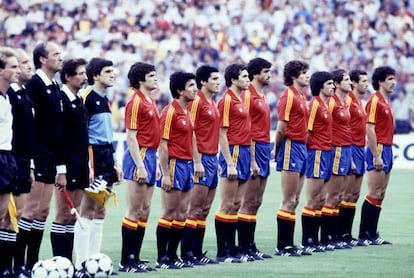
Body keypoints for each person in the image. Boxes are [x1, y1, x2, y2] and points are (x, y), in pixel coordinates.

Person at [17, 42, 65, 271]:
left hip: (51, 157)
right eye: (56, 54)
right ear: (43, 59)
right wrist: (32, 161)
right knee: (29, 210)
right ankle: (20, 266)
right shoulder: (34, 86)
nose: (60, 57)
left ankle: (32, 263)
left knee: (43, 211)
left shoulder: (55, 86)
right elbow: (30, 126)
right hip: (36, 156)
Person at [74, 58, 122, 270]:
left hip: (106, 157)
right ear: (95, 75)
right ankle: (81, 263)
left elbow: (107, 134)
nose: (113, 74)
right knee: (87, 209)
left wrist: (115, 162)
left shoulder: (105, 98)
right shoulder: (86, 97)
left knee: (100, 211)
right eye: (108, 71)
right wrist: (88, 165)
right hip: (92, 155)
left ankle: (94, 263)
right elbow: (81, 134)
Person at [119, 62, 159, 273]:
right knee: (134, 209)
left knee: (145, 209)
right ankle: (127, 260)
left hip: (151, 156)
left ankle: (136, 256)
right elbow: (131, 137)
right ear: (141, 80)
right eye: (151, 75)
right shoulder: (135, 102)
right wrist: (140, 165)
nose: (155, 78)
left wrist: (157, 163)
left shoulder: (150, 101)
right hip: (141, 155)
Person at [156, 71, 198, 269]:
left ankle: (173, 255)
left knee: (182, 212)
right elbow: (162, 145)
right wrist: (165, 173)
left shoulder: (187, 110)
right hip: (174, 164)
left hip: (187, 165)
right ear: (180, 90)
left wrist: (196, 162)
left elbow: (191, 138)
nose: (195, 89)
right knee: (169, 212)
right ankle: (162, 257)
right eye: (191, 86)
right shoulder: (169, 111)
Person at [180, 65, 220, 265]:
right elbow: (191, 131)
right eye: (214, 79)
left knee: (204, 209)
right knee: (194, 208)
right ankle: (186, 252)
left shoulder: (213, 102)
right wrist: (196, 160)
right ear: (203, 82)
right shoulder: (196, 102)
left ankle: (197, 251)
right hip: (201, 158)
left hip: (212, 158)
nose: (218, 82)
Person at [50, 58, 88, 261]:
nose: (85, 77)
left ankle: (68, 264)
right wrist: (61, 169)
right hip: (68, 165)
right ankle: (60, 262)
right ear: (68, 76)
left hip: (81, 164)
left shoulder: (78, 99)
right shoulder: (61, 100)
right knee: (63, 215)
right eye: (80, 73)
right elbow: (59, 137)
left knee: (73, 217)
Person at [215, 63, 251, 263]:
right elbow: (222, 133)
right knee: (227, 203)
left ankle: (232, 246)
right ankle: (223, 251)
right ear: (233, 80)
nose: (247, 79)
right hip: (235, 151)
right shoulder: (227, 100)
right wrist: (229, 162)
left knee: (237, 204)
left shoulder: (241, 98)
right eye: (244, 76)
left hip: (244, 151)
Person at [273, 60, 309, 256]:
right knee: (288, 199)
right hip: (291, 146)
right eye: (303, 73)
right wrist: (277, 150)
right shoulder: (288, 96)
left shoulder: (301, 96)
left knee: (295, 199)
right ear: (294, 76)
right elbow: (281, 128)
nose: (307, 76)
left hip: (302, 147)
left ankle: (290, 244)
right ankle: (283, 246)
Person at [238, 58, 272, 259]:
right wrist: (251, 160)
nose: (268, 75)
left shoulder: (262, 94)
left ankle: (250, 245)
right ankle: (243, 246)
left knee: (257, 200)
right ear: (255, 74)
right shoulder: (248, 95)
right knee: (248, 200)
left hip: (264, 147)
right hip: (254, 147)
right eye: (265, 71)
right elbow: (246, 129)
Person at [358, 66, 396, 245]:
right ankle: (365, 233)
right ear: (380, 81)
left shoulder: (386, 101)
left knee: (381, 193)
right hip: (378, 148)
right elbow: (369, 129)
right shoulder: (374, 101)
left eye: (393, 79)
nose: (393, 82)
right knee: (374, 192)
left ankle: (373, 233)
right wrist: (375, 154)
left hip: (388, 148)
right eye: (389, 79)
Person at [7, 48, 34, 278]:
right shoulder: (10, 96)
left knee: (19, 215)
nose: (25, 68)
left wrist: (31, 164)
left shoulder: (23, 95)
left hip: (24, 161)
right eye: (18, 64)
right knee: (8, 216)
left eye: (23, 64)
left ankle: (17, 266)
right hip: (10, 159)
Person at [300, 71, 334, 253]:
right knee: (313, 198)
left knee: (321, 199)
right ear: (320, 86)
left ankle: (317, 238)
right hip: (317, 153)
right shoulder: (314, 105)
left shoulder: (326, 105)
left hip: (327, 153)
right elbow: (307, 132)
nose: (333, 86)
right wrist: (310, 154)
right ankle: (308, 239)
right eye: (329, 83)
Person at [320, 69, 353, 250]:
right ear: (338, 84)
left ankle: (334, 235)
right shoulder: (331, 103)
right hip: (336, 150)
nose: (350, 83)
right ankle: (327, 237)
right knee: (332, 195)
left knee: (339, 196)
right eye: (346, 80)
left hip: (346, 150)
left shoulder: (343, 103)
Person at [338, 69, 369, 247]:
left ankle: (347, 234)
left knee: (354, 194)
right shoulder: (347, 101)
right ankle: (339, 233)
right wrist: (348, 155)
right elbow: (343, 128)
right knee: (345, 193)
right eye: (362, 81)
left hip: (358, 148)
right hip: (349, 148)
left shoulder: (358, 101)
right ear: (354, 84)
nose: (366, 84)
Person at [0, 47, 21, 278]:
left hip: (7, 156)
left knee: (3, 216)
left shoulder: (7, 97)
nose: (16, 71)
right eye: (13, 67)